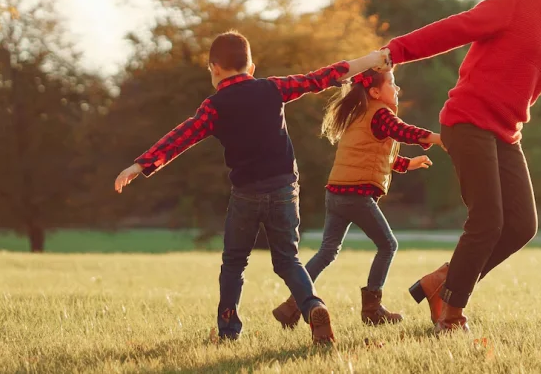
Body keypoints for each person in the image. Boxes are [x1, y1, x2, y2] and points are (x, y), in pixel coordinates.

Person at [378, 0, 541, 334]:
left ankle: (442, 281)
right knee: (488, 220)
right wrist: (397, 51)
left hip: (505, 131)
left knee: (522, 226)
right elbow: (459, 27)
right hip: (468, 119)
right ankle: (451, 311)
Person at [113, 30, 390, 345]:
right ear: (252, 67)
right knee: (287, 259)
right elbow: (319, 78)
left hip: (246, 193)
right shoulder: (272, 88)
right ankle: (313, 305)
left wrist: (141, 164)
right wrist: (369, 60)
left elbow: (183, 136)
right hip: (285, 187)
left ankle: (228, 330)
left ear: (214, 68)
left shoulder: (214, 106)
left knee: (234, 261)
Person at [271, 67, 441, 328]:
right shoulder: (380, 113)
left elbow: (375, 155)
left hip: (337, 192)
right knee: (388, 245)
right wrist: (439, 138)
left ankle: (292, 306)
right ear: (375, 92)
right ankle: (372, 309)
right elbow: (404, 131)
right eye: (392, 84)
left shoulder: (360, 114)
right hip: (355, 195)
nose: (397, 89)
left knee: (327, 252)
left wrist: (408, 164)